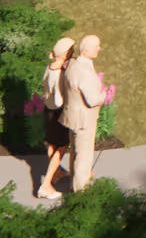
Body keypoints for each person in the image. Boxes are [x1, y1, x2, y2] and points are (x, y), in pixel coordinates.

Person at [60, 35, 105, 193]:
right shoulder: (84, 71)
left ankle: (74, 184)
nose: (99, 48)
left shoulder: (73, 64)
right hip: (84, 119)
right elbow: (92, 100)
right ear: (85, 50)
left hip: (72, 116)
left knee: (75, 153)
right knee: (84, 158)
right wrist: (104, 95)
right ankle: (81, 193)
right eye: (96, 46)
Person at [35, 36, 75, 199]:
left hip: (48, 110)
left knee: (52, 143)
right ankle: (46, 185)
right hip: (58, 113)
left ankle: (57, 172)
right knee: (62, 147)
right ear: (66, 54)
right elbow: (59, 100)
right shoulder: (58, 74)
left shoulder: (50, 67)